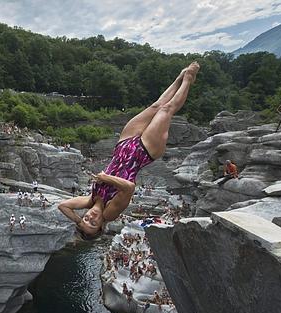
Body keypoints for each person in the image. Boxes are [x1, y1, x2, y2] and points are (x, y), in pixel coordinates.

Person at [58, 62, 200, 238]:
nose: (89, 218)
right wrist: (105, 178)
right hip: (144, 152)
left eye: (85, 220)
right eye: (93, 223)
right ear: (101, 226)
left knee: (156, 106)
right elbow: (129, 188)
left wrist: (78, 221)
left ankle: (179, 77)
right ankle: (188, 79)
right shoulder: (110, 213)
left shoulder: (90, 200)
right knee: (166, 110)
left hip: (124, 145)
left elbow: (62, 206)